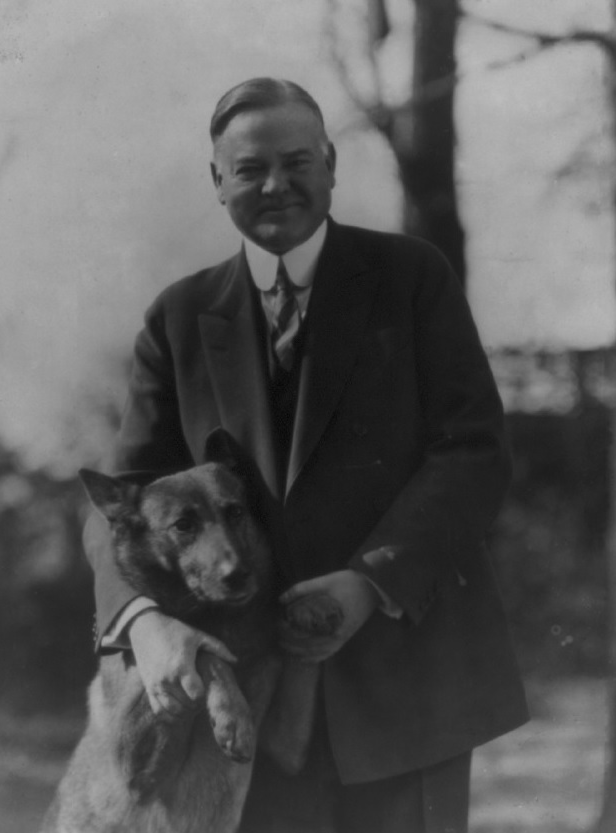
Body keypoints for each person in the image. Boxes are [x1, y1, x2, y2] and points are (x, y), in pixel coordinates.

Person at [85, 77, 528, 833]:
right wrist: (139, 619)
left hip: (406, 680)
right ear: (217, 182)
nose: (276, 184)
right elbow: (123, 502)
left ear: (329, 164)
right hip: (245, 702)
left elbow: (473, 453)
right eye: (250, 168)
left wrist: (369, 582)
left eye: (296, 161)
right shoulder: (180, 317)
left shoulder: (411, 278)